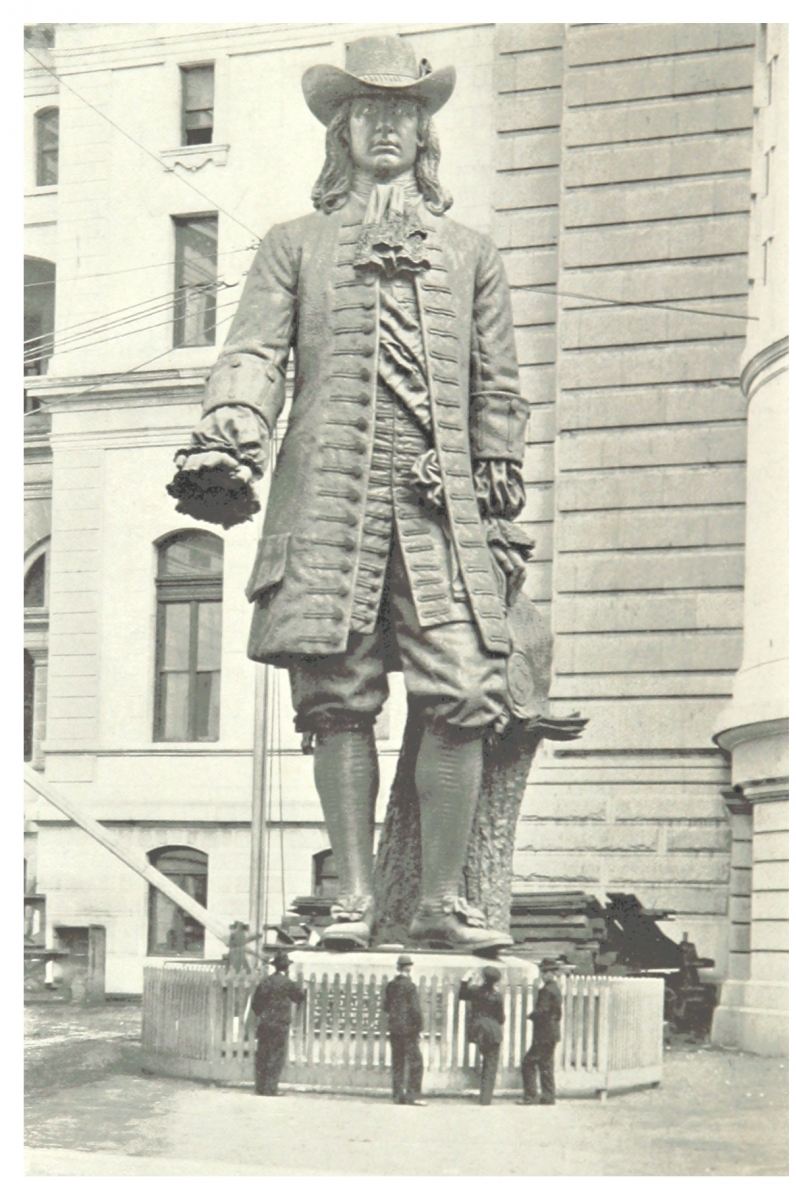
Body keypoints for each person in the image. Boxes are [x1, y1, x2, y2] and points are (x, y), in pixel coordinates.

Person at [168, 34, 530, 953]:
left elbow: (498, 380)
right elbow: (253, 353)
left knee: (462, 691)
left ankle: (441, 905)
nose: (384, 130)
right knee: (338, 696)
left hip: (439, 507)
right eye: (365, 114)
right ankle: (353, 902)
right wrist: (233, 431)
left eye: (401, 115)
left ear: (424, 134)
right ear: (340, 132)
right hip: (328, 499)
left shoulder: (472, 253)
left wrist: (496, 459)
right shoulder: (294, 246)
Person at [250, 951, 305, 1096]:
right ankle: (270, 1088)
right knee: (276, 1054)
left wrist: (262, 1014)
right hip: (280, 1023)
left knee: (262, 1053)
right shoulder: (287, 983)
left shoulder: (266, 981)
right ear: (286, 968)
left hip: (265, 1022)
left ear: (275, 967)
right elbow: (299, 997)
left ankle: (260, 1088)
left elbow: (255, 1003)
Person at [382, 953, 427, 1105]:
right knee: (416, 1063)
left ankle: (398, 1095)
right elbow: (415, 1009)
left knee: (398, 1061)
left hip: (395, 1029)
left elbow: (386, 1006)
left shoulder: (391, 985)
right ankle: (413, 1096)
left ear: (397, 968)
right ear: (409, 969)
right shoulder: (410, 986)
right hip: (409, 1030)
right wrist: (419, 1028)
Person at [518, 958, 562, 1105]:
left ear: (551, 973)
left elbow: (542, 1011)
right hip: (553, 1032)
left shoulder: (546, 990)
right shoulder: (555, 988)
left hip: (544, 1034)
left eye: (545, 972)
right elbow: (558, 1013)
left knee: (528, 1062)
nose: (543, 975)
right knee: (546, 1065)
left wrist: (531, 1015)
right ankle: (548, 1097)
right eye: (543, 972)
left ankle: (530, 1096)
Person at [459, 965, 505, 1105]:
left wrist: (465, 979)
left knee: (485, 1058)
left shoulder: (475, 991)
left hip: (478, 1030)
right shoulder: (497, 996)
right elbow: (501, 1018)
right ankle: (486, 1098)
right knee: (490, 1064)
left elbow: (462, 995)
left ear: (484, 978)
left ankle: (484, 1096)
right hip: (493, 1031)